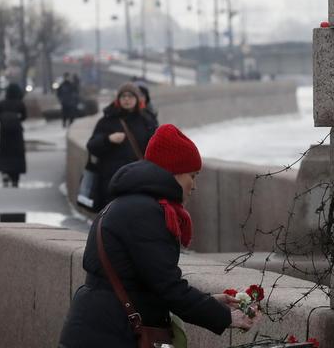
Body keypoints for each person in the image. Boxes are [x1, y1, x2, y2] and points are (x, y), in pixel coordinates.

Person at [59, 124, 259, 347]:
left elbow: (147, 284)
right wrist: (226, 317)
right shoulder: (145, 213)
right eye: (192, 175)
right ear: (174, 172)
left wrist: (211, 302)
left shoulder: (129, 204)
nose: (194, 186)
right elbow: (168, 287)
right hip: (109, 334)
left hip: (99, 328)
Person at [86, 83, 157, 211]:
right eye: (123, 96)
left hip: (139, 181)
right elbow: (92, 146)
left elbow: (156, 148)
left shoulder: (147, 120)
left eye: (130, 96)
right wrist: (108, 140)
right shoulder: (107, 121)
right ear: (118, 100)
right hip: (112, 182)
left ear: (137, 99)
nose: (127, 99)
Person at [0, 83, 27, 187]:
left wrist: (4, 120)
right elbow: (25, 116)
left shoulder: (1, 103)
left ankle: (5, 173)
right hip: (17, 134)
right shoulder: (20, 104)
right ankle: (15, 179)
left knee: (5, 153)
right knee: (16, 154)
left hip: (4, 133)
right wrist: (17, 120)